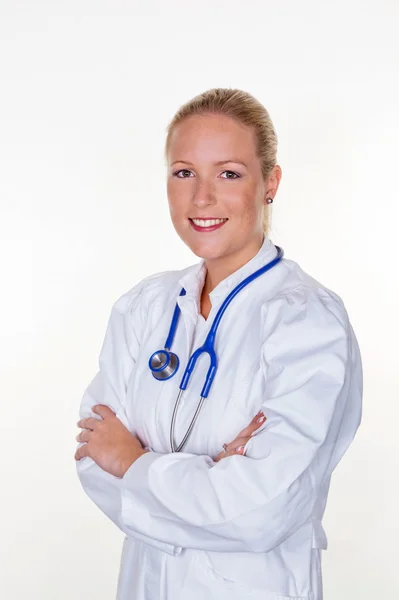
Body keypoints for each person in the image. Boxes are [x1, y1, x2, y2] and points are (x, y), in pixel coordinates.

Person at [75, 88, 363, 600]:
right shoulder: (144, 307)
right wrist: (211, 479)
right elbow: (93, 461)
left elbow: (264, 512)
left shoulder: (306, 321)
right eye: (184, 172)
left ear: (270, 183)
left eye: (229, 173)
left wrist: (135, 463)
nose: (201, 198)